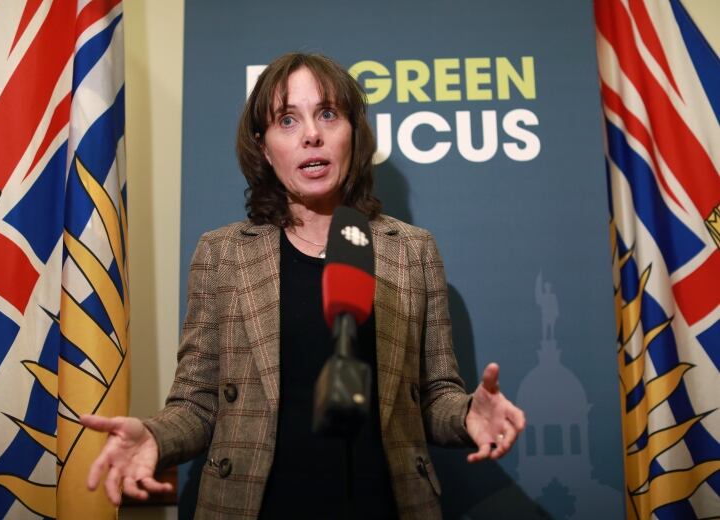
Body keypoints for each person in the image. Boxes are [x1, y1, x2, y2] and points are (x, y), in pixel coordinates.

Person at [81, 52, 526, 519]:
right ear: (264, 147)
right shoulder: (222, 254)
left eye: (328, 114)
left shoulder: (412, 251)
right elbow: (196, 403)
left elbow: (434, 397)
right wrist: (155, 435)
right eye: (287, 120)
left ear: (353, 133)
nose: (311, 134)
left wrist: (468, 414)